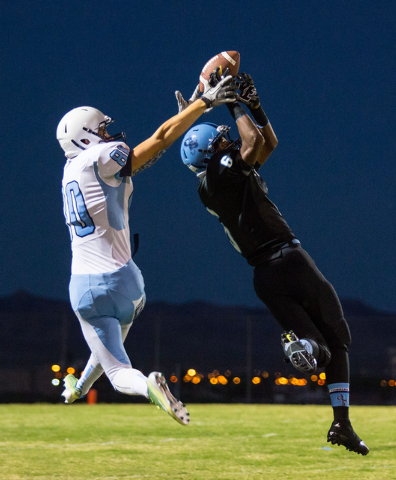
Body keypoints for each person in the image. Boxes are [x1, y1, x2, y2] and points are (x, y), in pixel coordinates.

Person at [176, 72, 369, 453]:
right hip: (286, 259)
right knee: (337, 332)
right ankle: (305, 350)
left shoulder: (219, 180)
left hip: (266, 275)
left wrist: (256, 107)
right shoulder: (217, 175)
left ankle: (339, 420)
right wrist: (231, 101)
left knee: (329, 346)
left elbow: (267, 143)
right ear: (210, 154)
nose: (228, 141)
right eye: (220, 141)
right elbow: (249, 141)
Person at [56, 76, 237, 425]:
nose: (110, 135)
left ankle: (146, 387)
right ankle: (101, 387)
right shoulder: (99, 156)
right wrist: (203, 104)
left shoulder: (70, 172)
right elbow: (159, 140)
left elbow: (152, 149)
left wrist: (182, 118)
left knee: (117, 369)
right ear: (86, 135)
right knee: (111, 350)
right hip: (127, 286)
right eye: (103, 129)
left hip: (84, 289)